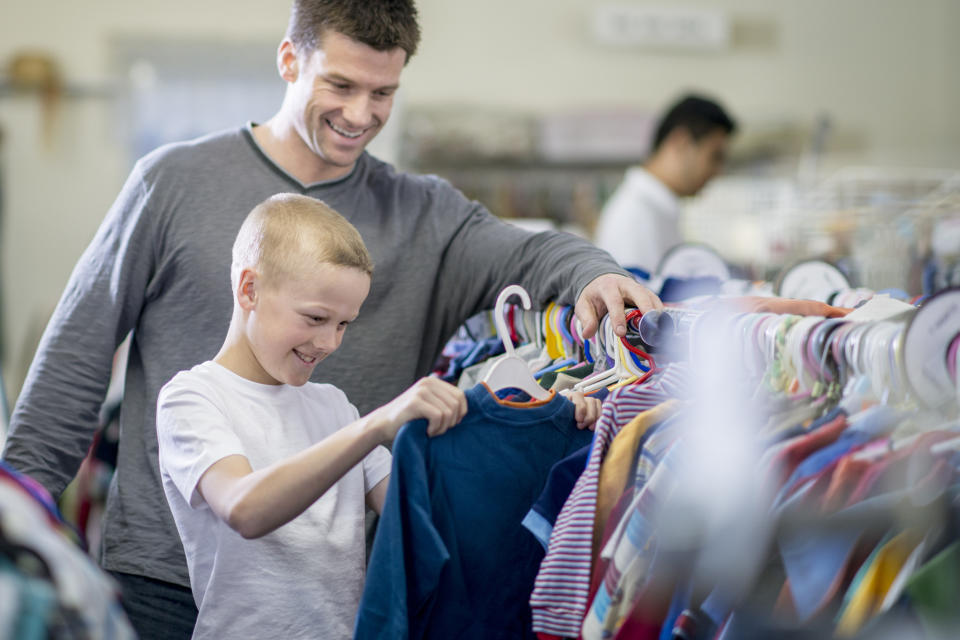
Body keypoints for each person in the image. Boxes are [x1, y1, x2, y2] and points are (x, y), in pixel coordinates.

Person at [2, 1, 660, 637]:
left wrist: (596, 275)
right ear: (290, 60)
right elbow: (73, 364)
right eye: (340, 84)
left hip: (330, 588)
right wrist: (20, 535)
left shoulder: (426, 215)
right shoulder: (172, 182)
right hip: (162, 577)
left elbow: (533, 250)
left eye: (383, 93)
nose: (359, 113)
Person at [155, 192, 603, 638]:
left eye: (344, 324)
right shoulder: (193, 398)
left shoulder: (332, 406)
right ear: (249, 289)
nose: (330, 343)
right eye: (315, 318)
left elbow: (432, 512)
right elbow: (243, 509)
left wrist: (546, 425)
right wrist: (375, 425)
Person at [594, 93, 737, 274]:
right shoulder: (635, 217)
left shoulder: (656, 210)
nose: (718, 172)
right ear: (681, 142)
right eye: (715, 156)